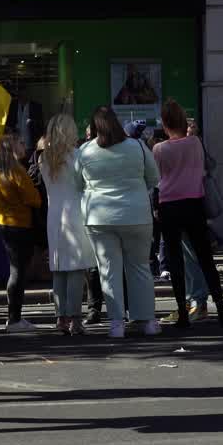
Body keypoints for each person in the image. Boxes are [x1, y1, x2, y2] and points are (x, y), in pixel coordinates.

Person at [75, 106, 161, 338]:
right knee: (140, 267)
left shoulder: (84, 151)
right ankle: (148, 321)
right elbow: (154, 177)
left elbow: (77, 185)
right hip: (136, 215)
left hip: (98, 218)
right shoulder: (138, 147)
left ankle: (116, 323)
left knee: (108, 270)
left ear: (94, 128)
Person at [152, 100, 223, 329]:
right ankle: (221, 307)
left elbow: (157, 178)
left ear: (165, 124)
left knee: (175, 259)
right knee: (205, 257)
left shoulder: (159, 149)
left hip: (169, 205)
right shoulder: (195, 143)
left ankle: (183, 311)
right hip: (194, 203)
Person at [38, 114, 96, 336]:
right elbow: (85, 185)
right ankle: (75, 319)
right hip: (75, 215)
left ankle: (61, 317)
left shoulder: (44, 159)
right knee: (76, 269)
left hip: (54, 216)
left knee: (59, 269)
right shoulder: (77, 156)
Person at [0, 133, 43, 332]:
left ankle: (14, 317)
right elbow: (34, 199)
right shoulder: (17, 171)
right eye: (20, 142)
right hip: (20, 224)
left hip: (5, 222)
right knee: (18, 272)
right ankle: (14, 318)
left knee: (16, 271)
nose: (24, 145)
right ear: (12, 148)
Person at [6, 83, 44, 155]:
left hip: (31, 146)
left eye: (25, 93)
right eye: (21, 93)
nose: (23, 95)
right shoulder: (13, 106)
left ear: (28, 94)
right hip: (16, 146)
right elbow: (9, 124)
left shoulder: (36, 107)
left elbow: (40, 126)